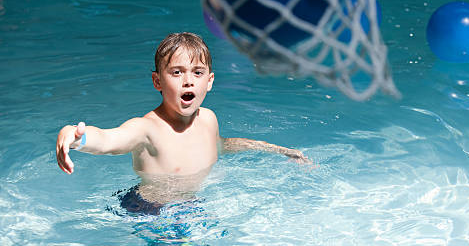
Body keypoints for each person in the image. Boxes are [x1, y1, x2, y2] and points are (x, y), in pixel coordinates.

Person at [56, 32, 308, 214]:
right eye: (176, 72)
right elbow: (109, 140)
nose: (188, 81)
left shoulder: (208, 119)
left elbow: (221, 145)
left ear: (209, 81)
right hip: (153, 210)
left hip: (189, 206)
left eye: (197, 73)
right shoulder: (147, 129)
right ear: (157, 82)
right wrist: (76, 137)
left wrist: (278, 150)